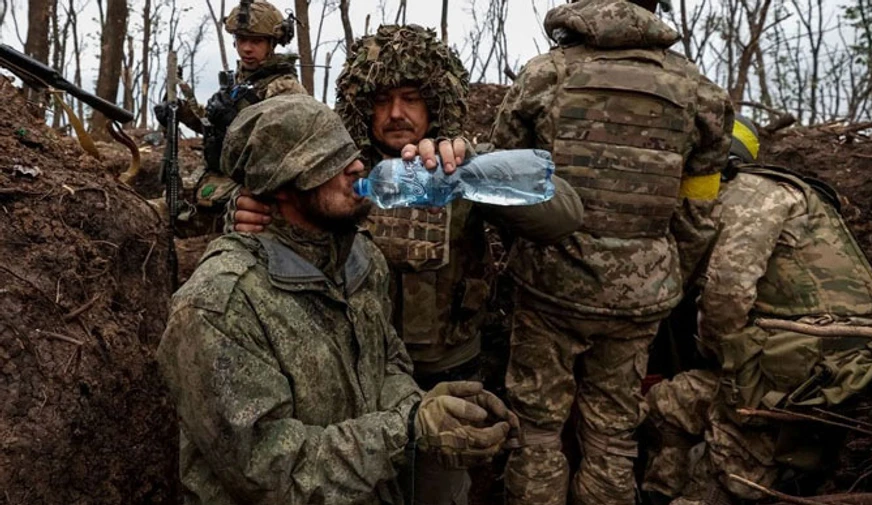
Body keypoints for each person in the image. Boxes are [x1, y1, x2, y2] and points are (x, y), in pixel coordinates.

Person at [232, 25, 584, 504]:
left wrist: (472, 170)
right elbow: (263, 222)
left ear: (436, 100)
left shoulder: (458, 165)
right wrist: (244, 211)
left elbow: (564, 215)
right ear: (361, 104)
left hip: (446, 373)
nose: (396, 113)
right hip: (356, 381)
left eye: (412, 98)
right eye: (381, 100)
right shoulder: (332, 176)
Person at [156, 95, 519, 505]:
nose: (357, 167)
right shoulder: (219, 307)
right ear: (281, 186)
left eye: (348, 153)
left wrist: (427, 410)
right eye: (327, 161)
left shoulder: (360, 259)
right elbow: (268, 472)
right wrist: (406, 430)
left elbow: (387, 364)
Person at [487, 1, 734, 504]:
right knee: (613, 436)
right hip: (640, 299)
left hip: (549, 288)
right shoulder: (700, 92)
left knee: (536, 431)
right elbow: (697, 214)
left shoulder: (545, 74)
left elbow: (504, 186)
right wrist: (665, 276)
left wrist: (530, 256)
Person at [642, 115, 872, 504]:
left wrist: (716, 351)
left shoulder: (751, 195)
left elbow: (727, 293)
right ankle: (658, 490)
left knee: (722, 475)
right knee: (665, 404)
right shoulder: (769, 192)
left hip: (803, 360)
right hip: (808, 352)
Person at [155, 0, 306, 234]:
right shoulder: (240, 81)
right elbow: (211, 124)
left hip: (254, 195)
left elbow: (290, 150)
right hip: (217, 180)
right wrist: (179, 112)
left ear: (272, 43)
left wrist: (239, 125)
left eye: (256, 41)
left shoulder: (285, 88)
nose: (247, 48)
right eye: (241, 40)